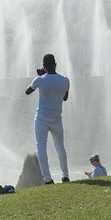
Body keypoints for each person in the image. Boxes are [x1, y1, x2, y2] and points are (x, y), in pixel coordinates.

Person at [26, 53, 72, 184]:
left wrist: (40, 76)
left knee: (41, 147)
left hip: (41, 118)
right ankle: (65, 176)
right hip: (57, 118)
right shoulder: (65, 80)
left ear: (44, 66)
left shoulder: (40, 79)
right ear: (56, 65)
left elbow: (27, 91)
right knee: (60, 147)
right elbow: (65, 98)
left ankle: (47, 179)